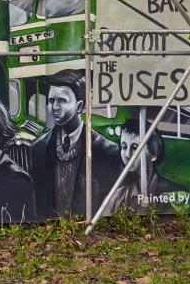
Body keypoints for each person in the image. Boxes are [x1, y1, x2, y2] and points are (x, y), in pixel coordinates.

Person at [28, 69, 122, 219]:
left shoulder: (106, 151)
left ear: (79, 106)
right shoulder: (38, 148)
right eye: (52, 100)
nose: (55, 107)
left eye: (62, 101)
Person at [105, 112, 187, 214]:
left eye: (135, 147)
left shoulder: (176, 192)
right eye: (124, 146)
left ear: (153, 154)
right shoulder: (118, 195)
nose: (127, 154)